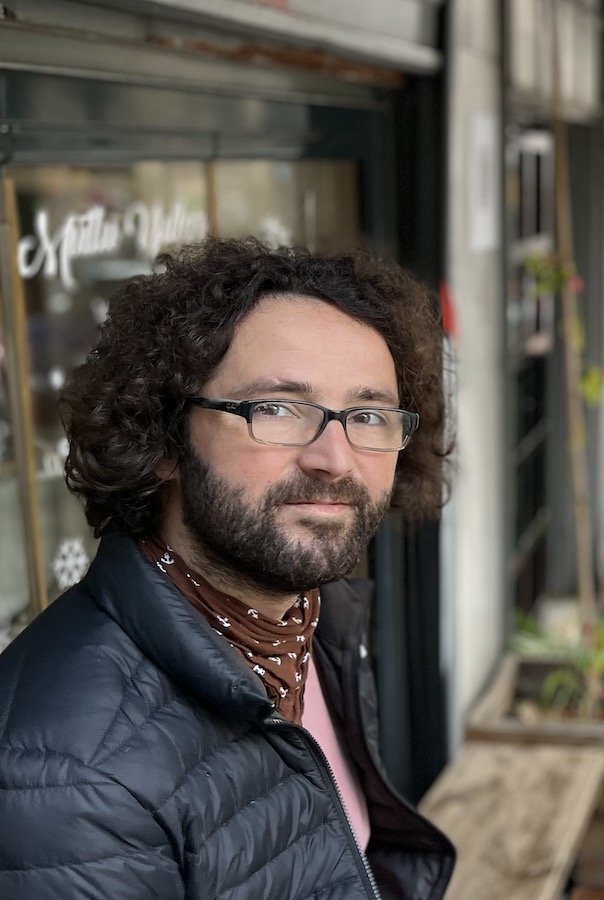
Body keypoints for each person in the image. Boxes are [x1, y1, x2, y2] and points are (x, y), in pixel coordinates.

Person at [0, 236, 455, 899]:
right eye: (276, 408)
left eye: (367, 415)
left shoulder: (312, 624)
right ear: (164, 440)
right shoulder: (71, 779)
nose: (334, 457)